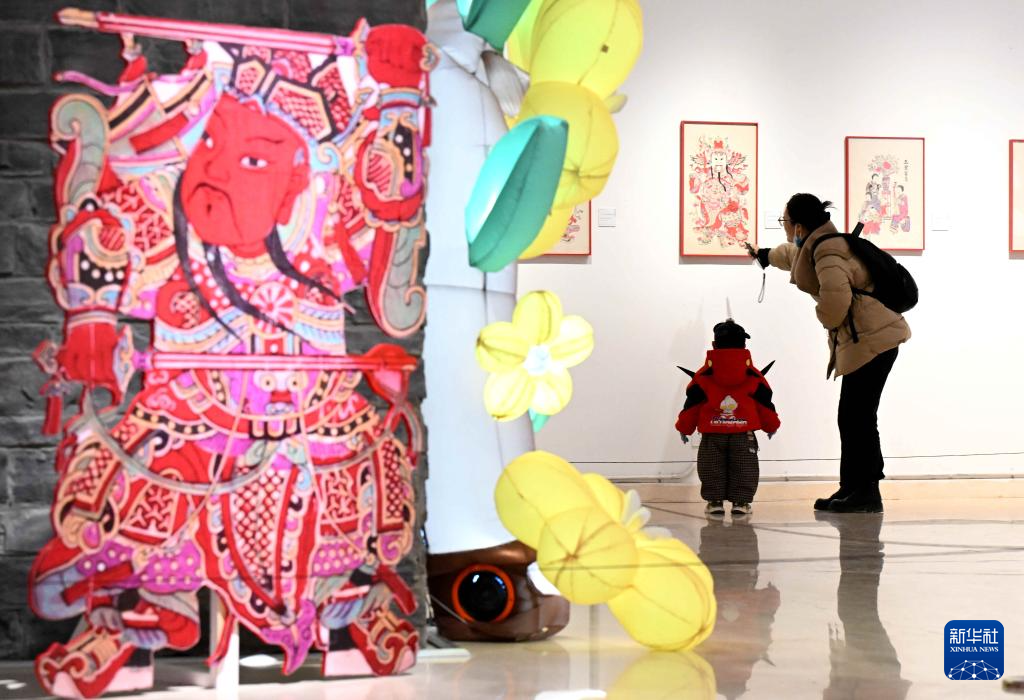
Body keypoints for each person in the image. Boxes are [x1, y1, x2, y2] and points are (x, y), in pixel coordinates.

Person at [750, 193, 910, 513]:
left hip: (873, 340)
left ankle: (868, 492)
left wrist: (825, 319)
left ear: (798, 226)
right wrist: (765, 255)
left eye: (784, 221)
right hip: (866, 340)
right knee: (851, 417)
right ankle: (852, 487)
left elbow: (836, 301)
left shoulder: (827, 251)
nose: (784, 227)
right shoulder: (819, 244)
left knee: (858, 417)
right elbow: (793, 256)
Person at [675, 319, 780, 517]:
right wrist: (771, 425)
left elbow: (693, 403)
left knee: (711, 466)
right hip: (744, 433)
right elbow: (764, 402)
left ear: (714, 345)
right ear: (744, 345)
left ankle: (714, 502)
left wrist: (684, 427)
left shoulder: (703, 376)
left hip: (712, 432)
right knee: (745, 466)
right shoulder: (754, 375)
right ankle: (741, 502)